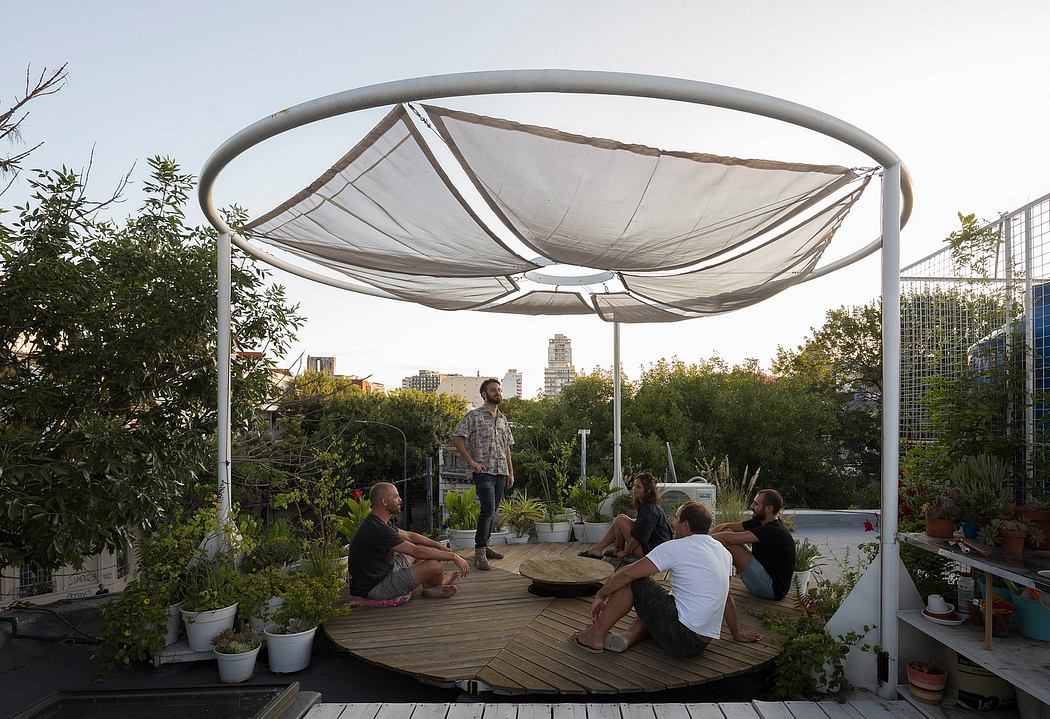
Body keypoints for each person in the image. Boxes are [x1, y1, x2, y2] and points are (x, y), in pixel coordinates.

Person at [571, 501, 761, 656]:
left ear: (686, 525)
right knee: (664, 598)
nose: (672, 521)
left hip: (680, 637)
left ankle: (594, 636)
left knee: (636, 582)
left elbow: (628, 573)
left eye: (676, 518)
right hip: (700, 644)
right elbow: (727, 597)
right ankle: (627, 638)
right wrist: (736, 633)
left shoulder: (676, 546)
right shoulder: (722, 551)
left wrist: (601, 595)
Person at [348, 482, 470, 600]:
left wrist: (438, 545)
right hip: (375, 588)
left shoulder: (377, 521)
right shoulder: (378, 529)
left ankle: (429, 588)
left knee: (425, 547)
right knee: (435, 564)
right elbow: (417, 552)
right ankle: (439, 583)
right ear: (384, 502)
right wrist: (453, 556)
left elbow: (409, 536)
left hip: (382, 572)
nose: (400, 500)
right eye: (396, 497)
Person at [451, 378, 515, 571]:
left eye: (499, 389)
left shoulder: (503, 419)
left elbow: (507, 448)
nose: (497, 392)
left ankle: (485, 547)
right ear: (484, 394)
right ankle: (479, 551)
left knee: (493, 510)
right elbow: (457, 437)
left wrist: (511, 472)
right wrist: (471, 462)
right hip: (484, 471)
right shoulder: (474, 416)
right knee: (487, 509)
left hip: (501, 471)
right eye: (492, 390)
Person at [711, 488, 795, 601]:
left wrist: (697, 542)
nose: (751, 506)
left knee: (731, 543)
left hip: (771, 589)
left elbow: (727, 539)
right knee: (728, 531)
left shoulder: (773, 530)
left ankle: (710, 580)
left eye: (756, 504)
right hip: (763, 576)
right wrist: (713, 532)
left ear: (769, 509)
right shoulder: (761, 522)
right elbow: (727, 527)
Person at [578, 471, 671, 560]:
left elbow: (639, 538)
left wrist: (626, 552)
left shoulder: (650, 510)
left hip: (651, 552)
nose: (634, 489)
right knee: (621, 518)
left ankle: (610, 551)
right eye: (634, 486)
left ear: (648, 491)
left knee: (620, 521)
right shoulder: (647, 506)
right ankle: (614, 550)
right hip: (649, 547)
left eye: (638, 487)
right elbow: (641, 526)